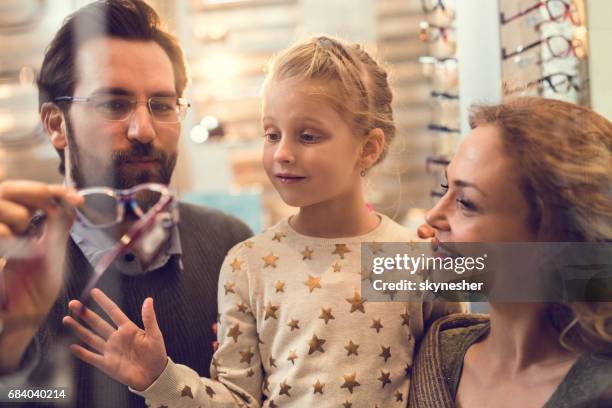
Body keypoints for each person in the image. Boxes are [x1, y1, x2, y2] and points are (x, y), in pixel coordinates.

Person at [63, 35, 463, 407]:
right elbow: (239, 398)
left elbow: (472, 350)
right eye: (271, 135)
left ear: (368, 148)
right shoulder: (248, 263)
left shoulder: (408, 257)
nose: (282, 153)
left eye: (307, 136)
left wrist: (461, 252)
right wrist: (159, 377)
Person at [3, 1, 252, 406]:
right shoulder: (13, 263)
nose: (143, 129)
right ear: (55, 125)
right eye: (113, 104)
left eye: (163, 105)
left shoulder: (231, 245)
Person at [409, 97, 612, 407]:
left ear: (554, 237)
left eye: (465, 202)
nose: (433, 216)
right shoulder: (434, 352)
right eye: (444, 188)